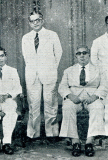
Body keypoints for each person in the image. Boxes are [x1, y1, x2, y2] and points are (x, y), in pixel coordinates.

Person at [59, 46, 108, 157]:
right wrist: (70, 95)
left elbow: (104, 86)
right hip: (74, 97)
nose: (82, 55)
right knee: (67, 107)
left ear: (89, 55)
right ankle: (75, 142)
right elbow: (62, 87)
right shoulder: (68, 71)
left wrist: (94, 96)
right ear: (76, 56)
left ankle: (89, 142)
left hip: (92, 97)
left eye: (84, 53)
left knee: (98, 107)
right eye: (79, 53)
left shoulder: (99, 70)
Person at [22, 11, 62, 140]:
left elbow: (58, 54)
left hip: (49, 73)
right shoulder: (26, 37)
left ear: (42, 20)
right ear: (29, 23)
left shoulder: (52, 35)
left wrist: (50, 68)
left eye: (38, 20)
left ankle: (52, 133)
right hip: (32, 74)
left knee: (50, 102)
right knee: (33, 104)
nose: (35, 23)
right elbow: (26, 57)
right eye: (32, 21)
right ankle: (33, 133)